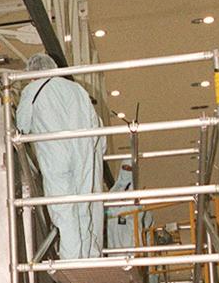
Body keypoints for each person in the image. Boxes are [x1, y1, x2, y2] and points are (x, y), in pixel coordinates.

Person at [16, 52, 104, 259]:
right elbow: (96, 124)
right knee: (85, 207)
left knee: (64, 210)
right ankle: (91, 258)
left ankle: (72, 260)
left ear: (32, 74)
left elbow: (22, 125)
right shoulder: (77, 89)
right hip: (84, 154)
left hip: (55, 156)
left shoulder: (32, 90)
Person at [106, 161, 152, 251]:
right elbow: (108, 211)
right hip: (115, 238)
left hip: (131, 237)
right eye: (125, 168)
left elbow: (137, 211)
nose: (127, 171)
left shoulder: (137, 194)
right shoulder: (113, 192)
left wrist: (115, 212)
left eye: (130, 169)